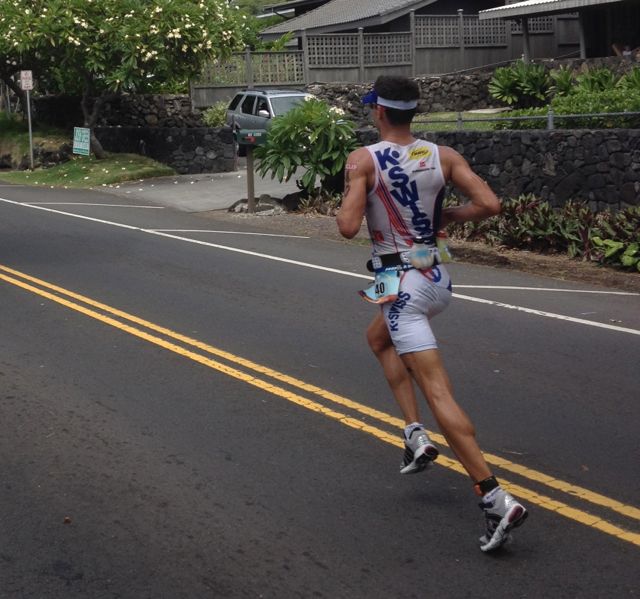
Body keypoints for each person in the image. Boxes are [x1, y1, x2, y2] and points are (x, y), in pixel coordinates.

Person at [336, 75, 528, 552]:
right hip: (435, 279)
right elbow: (489, 204)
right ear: (411, 113)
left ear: (378, 111)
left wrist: (354, 188)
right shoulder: (442, 156)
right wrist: (448, 218)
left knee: (439, 392)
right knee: (377, 340)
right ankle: (414, 433)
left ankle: (493, 496)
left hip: (403, 288)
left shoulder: (363, 160)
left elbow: (346, 226)